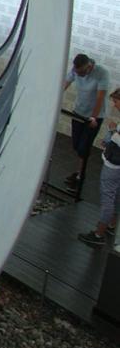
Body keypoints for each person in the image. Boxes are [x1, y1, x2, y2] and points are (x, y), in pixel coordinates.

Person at [78, 88, 120, 246]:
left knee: (107, 197)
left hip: (113, 165)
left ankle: (98, 234)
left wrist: (113, 131)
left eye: (116, 102)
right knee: (116, 195)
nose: (115, 106)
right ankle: (111, 224)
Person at [63, 53, 110, 189]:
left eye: (82, 72)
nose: (80, 75)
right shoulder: (75, 70)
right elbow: (65, 84)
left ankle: (80, 175)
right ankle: (79, 172)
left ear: (89, 66)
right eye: (78, 72)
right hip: (79, 111)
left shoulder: (102, 73)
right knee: (77, 145)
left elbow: (100, 98)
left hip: (94, 116)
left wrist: (93, 117)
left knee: (84, 147)